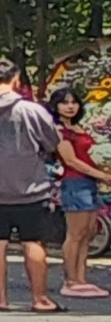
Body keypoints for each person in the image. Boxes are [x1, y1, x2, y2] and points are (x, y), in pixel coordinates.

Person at [0, 57, 67, 313]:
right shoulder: (30, 110)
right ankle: (40, 299)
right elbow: (52, 141)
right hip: (30, 187)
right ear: (16, 80)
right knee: (33, 241)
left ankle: (0, 299)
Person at [49, 85, 110, 298]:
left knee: (88, 233)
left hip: (90, 182)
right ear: (55, 106)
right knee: (75, 234)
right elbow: (71, 161)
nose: (70, 106)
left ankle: (81, 278)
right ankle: (70, 279)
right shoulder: (58, 130)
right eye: (64, 102)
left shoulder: (79, 128)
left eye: (73, 102)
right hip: (74, 183)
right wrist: (102, 175)